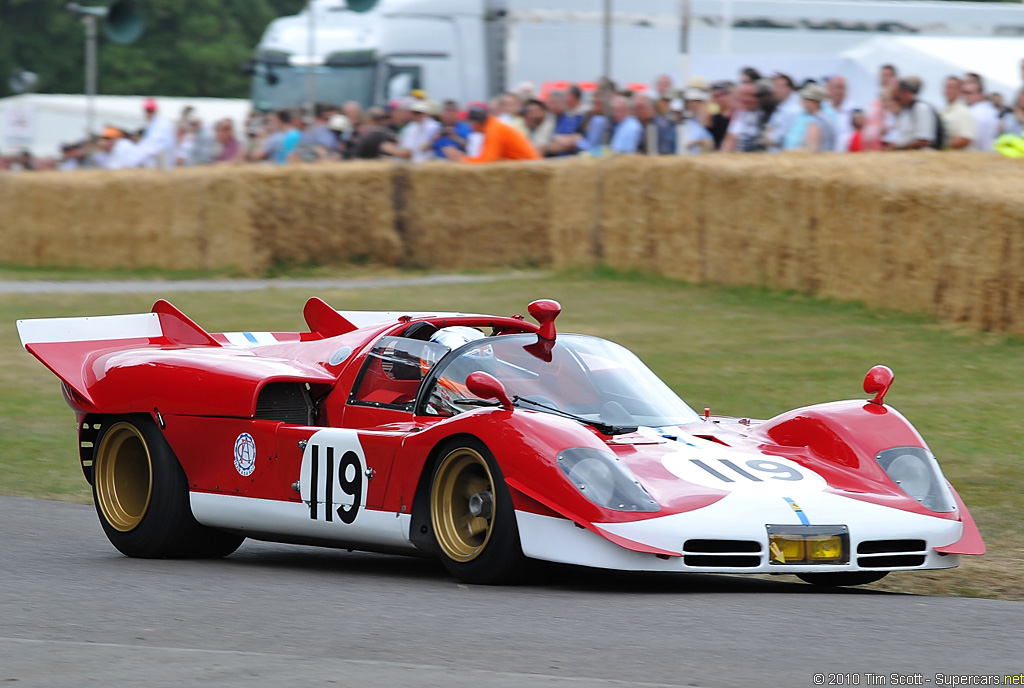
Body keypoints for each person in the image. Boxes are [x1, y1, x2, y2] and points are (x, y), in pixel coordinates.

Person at [443, 104, 540, 163]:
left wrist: (461, 159)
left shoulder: (494, 130)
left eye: (471, 124)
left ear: (476, 123)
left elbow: (487, 161)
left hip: (530, 170)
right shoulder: (493, 126)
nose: (470, 127)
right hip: (526, 167)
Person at [890, 78, 938, 150]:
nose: (895, 101)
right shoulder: (905, 111)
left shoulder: (921, 108)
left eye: (896, 98)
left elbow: (924, 141)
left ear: (906, 93)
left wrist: (899, 148)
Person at [132, 97, 177, 168]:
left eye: (150, 111)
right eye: (147, 110)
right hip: (157, 164)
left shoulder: (161, 124)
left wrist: (135, 160)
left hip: (161, 166)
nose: (148, 113)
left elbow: (153, 146)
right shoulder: (152, 124)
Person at [962, 77, 999, 151]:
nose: (964, 96)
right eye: (963, 92)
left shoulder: (974, 112)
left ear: (980, 94)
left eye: (968, 93)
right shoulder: (992, 110)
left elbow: (969, 140)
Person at [797, 82, 836, 152]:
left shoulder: (816, 121)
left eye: (805, 100)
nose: (803, 103)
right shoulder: (825, 118)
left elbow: (810, 149)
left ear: (814, 102)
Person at [940, 76, 975, 150]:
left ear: (960, 91)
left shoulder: (964, 112)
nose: (948, 90)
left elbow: (965, 139)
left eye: (952, 88)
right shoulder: (943, 111)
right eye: (947, 87)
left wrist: (940, 144)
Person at [675, 89, 714, 155]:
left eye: (697, 102)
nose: (694, 104)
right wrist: (700, 142)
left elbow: (711, 144)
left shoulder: (701, 122)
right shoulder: (683, 121)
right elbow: (683, 144)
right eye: (691, 102)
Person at [827, 75, 857, 152]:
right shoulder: (823, 109)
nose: (839, 91)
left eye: (842, 87)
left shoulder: (855, 109)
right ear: (829, 88)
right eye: (836, 87)